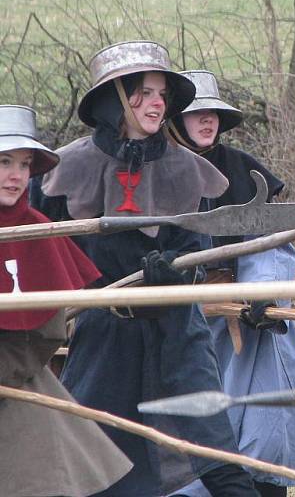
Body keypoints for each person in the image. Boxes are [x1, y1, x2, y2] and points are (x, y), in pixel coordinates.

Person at [31, 41, 259, 497]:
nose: (159, 104)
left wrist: (178, 275)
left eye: (162, 95)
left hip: (178, 329)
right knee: (97, 455)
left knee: (211, 452)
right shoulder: (64, 170)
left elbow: (199, 251)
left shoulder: (189, 170)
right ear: (116, 96)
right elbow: (45, 253)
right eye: (146, 93)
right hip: (102, 332)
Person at [166, 70, 295, 497]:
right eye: (196, 113)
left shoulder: (240, 169)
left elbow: (271, 245)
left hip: (246, 313)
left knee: (262, 414)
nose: (207, 121)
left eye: (213, 114)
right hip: (177, 314)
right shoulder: (158, 171)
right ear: (174, 120)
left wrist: (262, 296)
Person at [0, 104, 133, 496]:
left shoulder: (38, 230)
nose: (15, 176)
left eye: (24, 165)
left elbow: (45, 333)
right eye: (4, 162)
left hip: (18, 388)